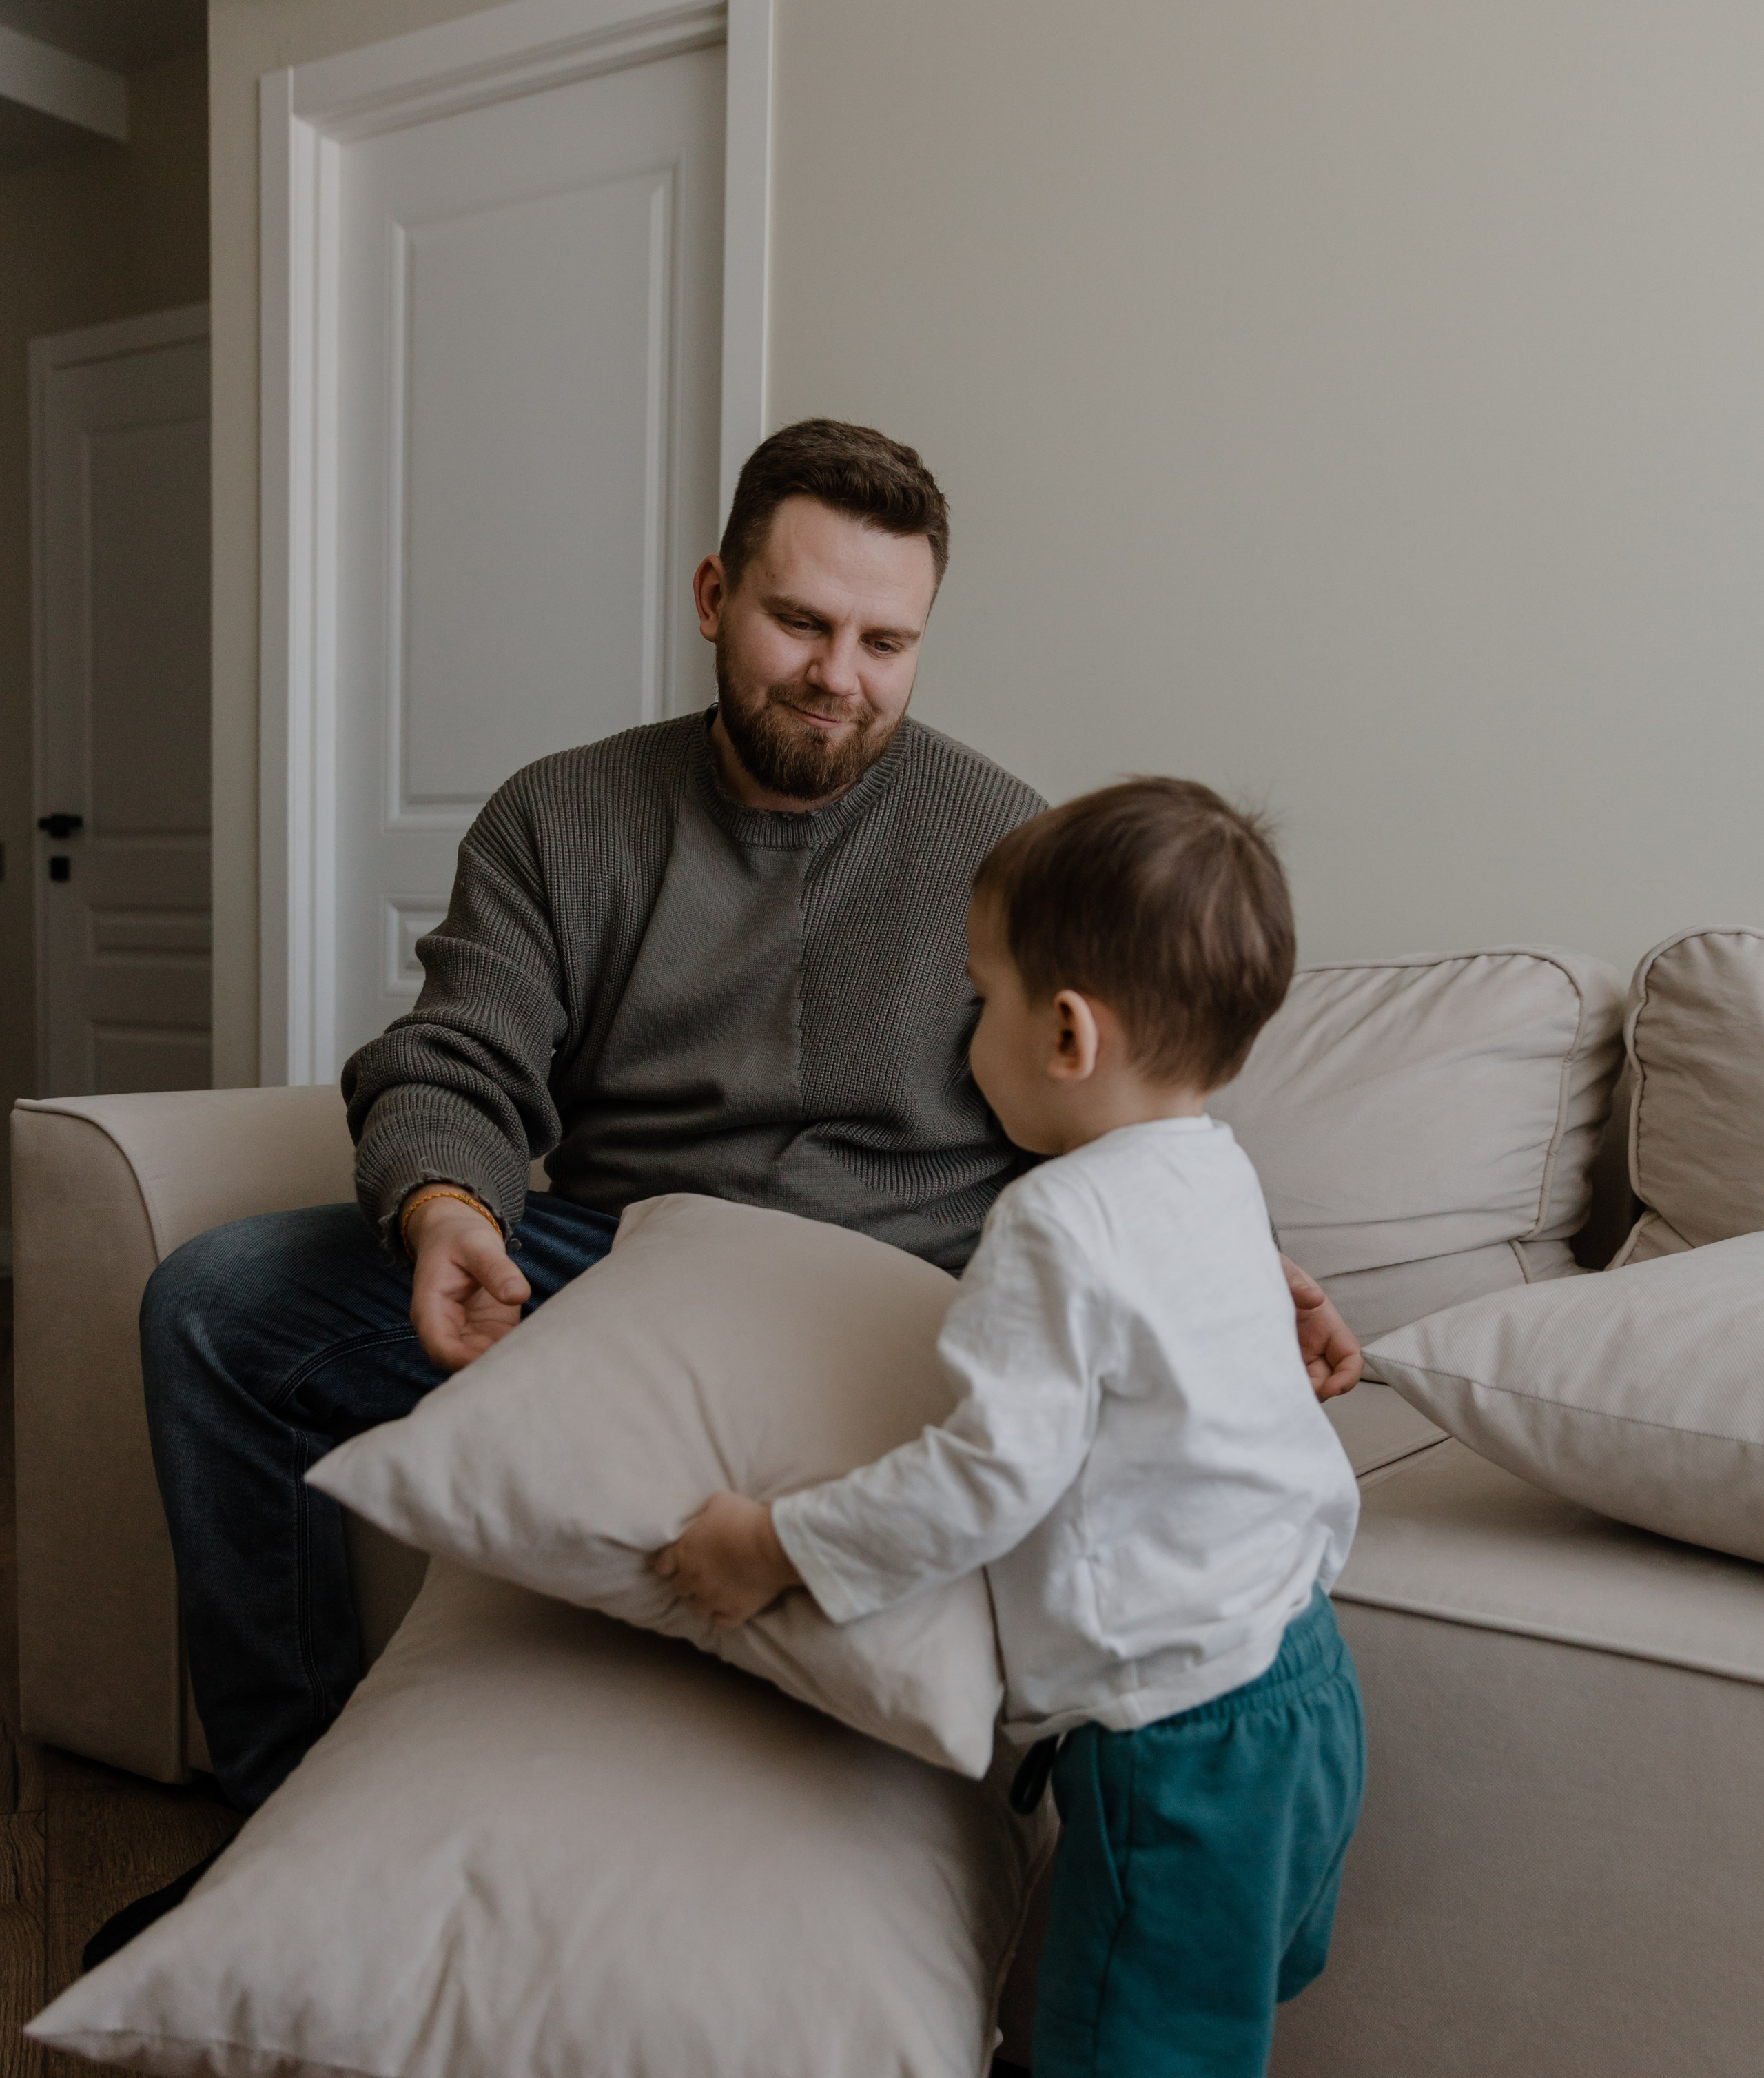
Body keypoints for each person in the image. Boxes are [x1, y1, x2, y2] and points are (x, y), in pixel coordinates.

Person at [91, 420, 1360, 1968]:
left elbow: (1122, 1100)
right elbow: (454, 1051)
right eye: (799, 622)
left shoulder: (1003, 841)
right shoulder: (563, 818)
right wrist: (448, 1207)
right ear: (711, 595)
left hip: (904, 1281)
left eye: (886, 640)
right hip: (624, 1253)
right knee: (214, 1310)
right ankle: (286, 1837)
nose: (841, 672)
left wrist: (1243, 1274)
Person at [655, 778, 1366, 2078]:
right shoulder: (1207, 1167)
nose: (961, 1027)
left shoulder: (1048, 1229)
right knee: (1188, 2068)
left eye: (974, 997)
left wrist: (774, 1542)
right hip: (1305, 1686)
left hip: (1177, 1741)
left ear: (1064, 1030)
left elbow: (980, 1476)